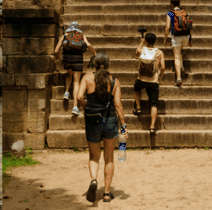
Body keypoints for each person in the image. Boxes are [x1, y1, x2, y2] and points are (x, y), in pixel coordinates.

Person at [77, 53, 127, 203]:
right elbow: (118, 105)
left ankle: (93, 181)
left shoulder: (87, 77)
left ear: (94, 64)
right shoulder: (114, 81)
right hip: (110, 120)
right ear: (109, 65)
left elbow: (79, 97)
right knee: (109, 157)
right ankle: (106, 193)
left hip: (93, 120)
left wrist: (87, 106)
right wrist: (123, 125)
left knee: (94, 156)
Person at [54, 22, 96, 117]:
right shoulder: (80, 35)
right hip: (77, 59)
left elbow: (56, 50)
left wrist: (58, 58)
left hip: (66, 59)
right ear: (77, 28)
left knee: (69, 74)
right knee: (76, 82)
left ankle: (66, 92)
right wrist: (94, 54)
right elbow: (88, 45)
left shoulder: (64, 35)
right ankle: (75, 107)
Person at [133, 32, 164, 134]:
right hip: (154, 80)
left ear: (146, 41)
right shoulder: (159, 52)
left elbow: (136, 53)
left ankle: (138, 108)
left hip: (142, 79)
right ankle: (152, 126)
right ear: (154, 41)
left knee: (136, 87)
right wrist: (160, 77)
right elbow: (163, 67)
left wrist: (141, 43)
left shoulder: (142, 50)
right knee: (154, 104)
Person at [163, 0, 192, 85]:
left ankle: (179, 78)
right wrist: (190, 39)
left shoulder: (170, 13)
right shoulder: (184, 12)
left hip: (176, 36)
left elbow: (168, 27)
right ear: (179, 4)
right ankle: (182, 66)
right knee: (180, 52)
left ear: (171, 4)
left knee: (176, 56)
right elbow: (189, 25)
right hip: (186, 36)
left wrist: (165, 39)